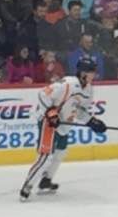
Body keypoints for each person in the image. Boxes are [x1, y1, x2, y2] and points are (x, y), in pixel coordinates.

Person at [19, 56, 107, 201]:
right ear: (83, 73)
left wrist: (91, 121)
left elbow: (79, 110)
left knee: (61, 152)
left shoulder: (89, 90)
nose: (94, 75)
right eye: (92, 72)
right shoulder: (67, 84)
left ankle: (46, 180)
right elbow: (43, 94)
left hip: (64, 124)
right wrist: (52, 113)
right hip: (49, 122)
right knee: (46, 157)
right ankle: (28, 185)